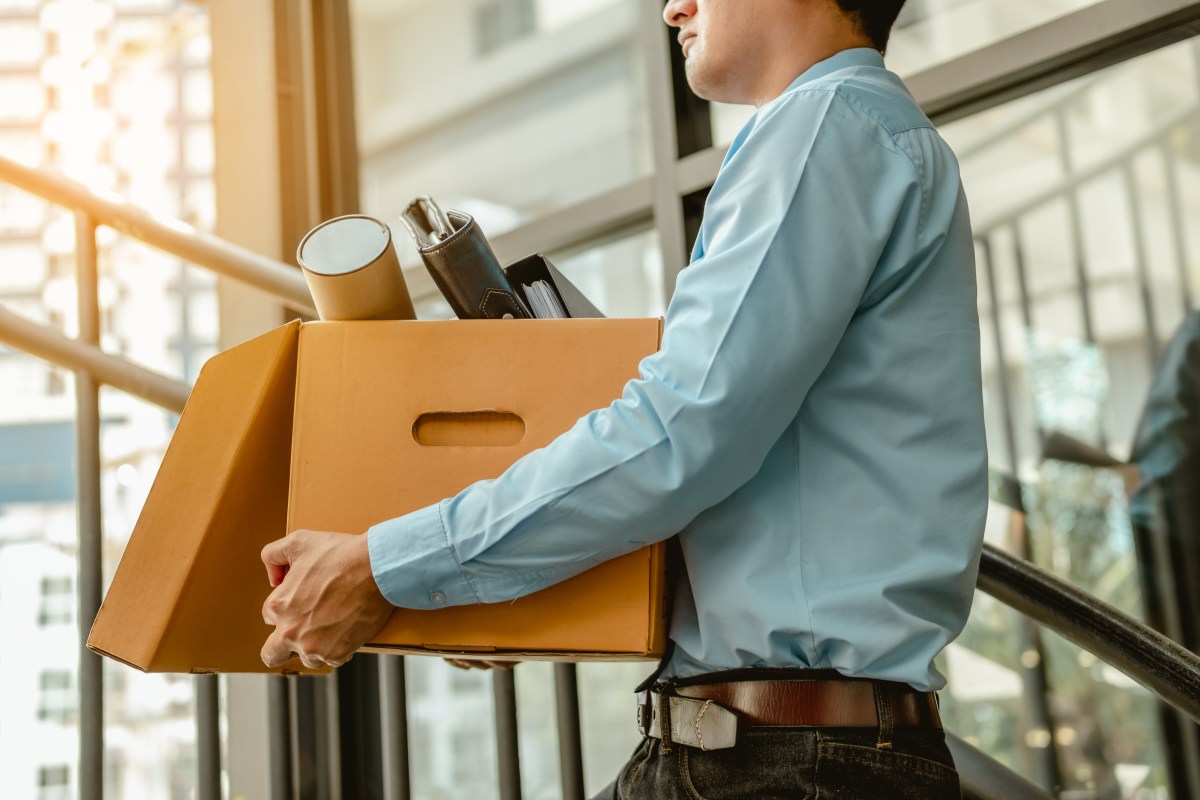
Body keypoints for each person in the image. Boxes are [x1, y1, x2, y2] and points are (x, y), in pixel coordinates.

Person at [258, 0, 988, 796]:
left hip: (784, 763)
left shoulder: (822, 128)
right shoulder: (852, 133)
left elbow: (681, 427)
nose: (673, 6)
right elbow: (741, 488)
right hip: (761, 750)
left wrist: (389, 565)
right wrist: (496, 587)